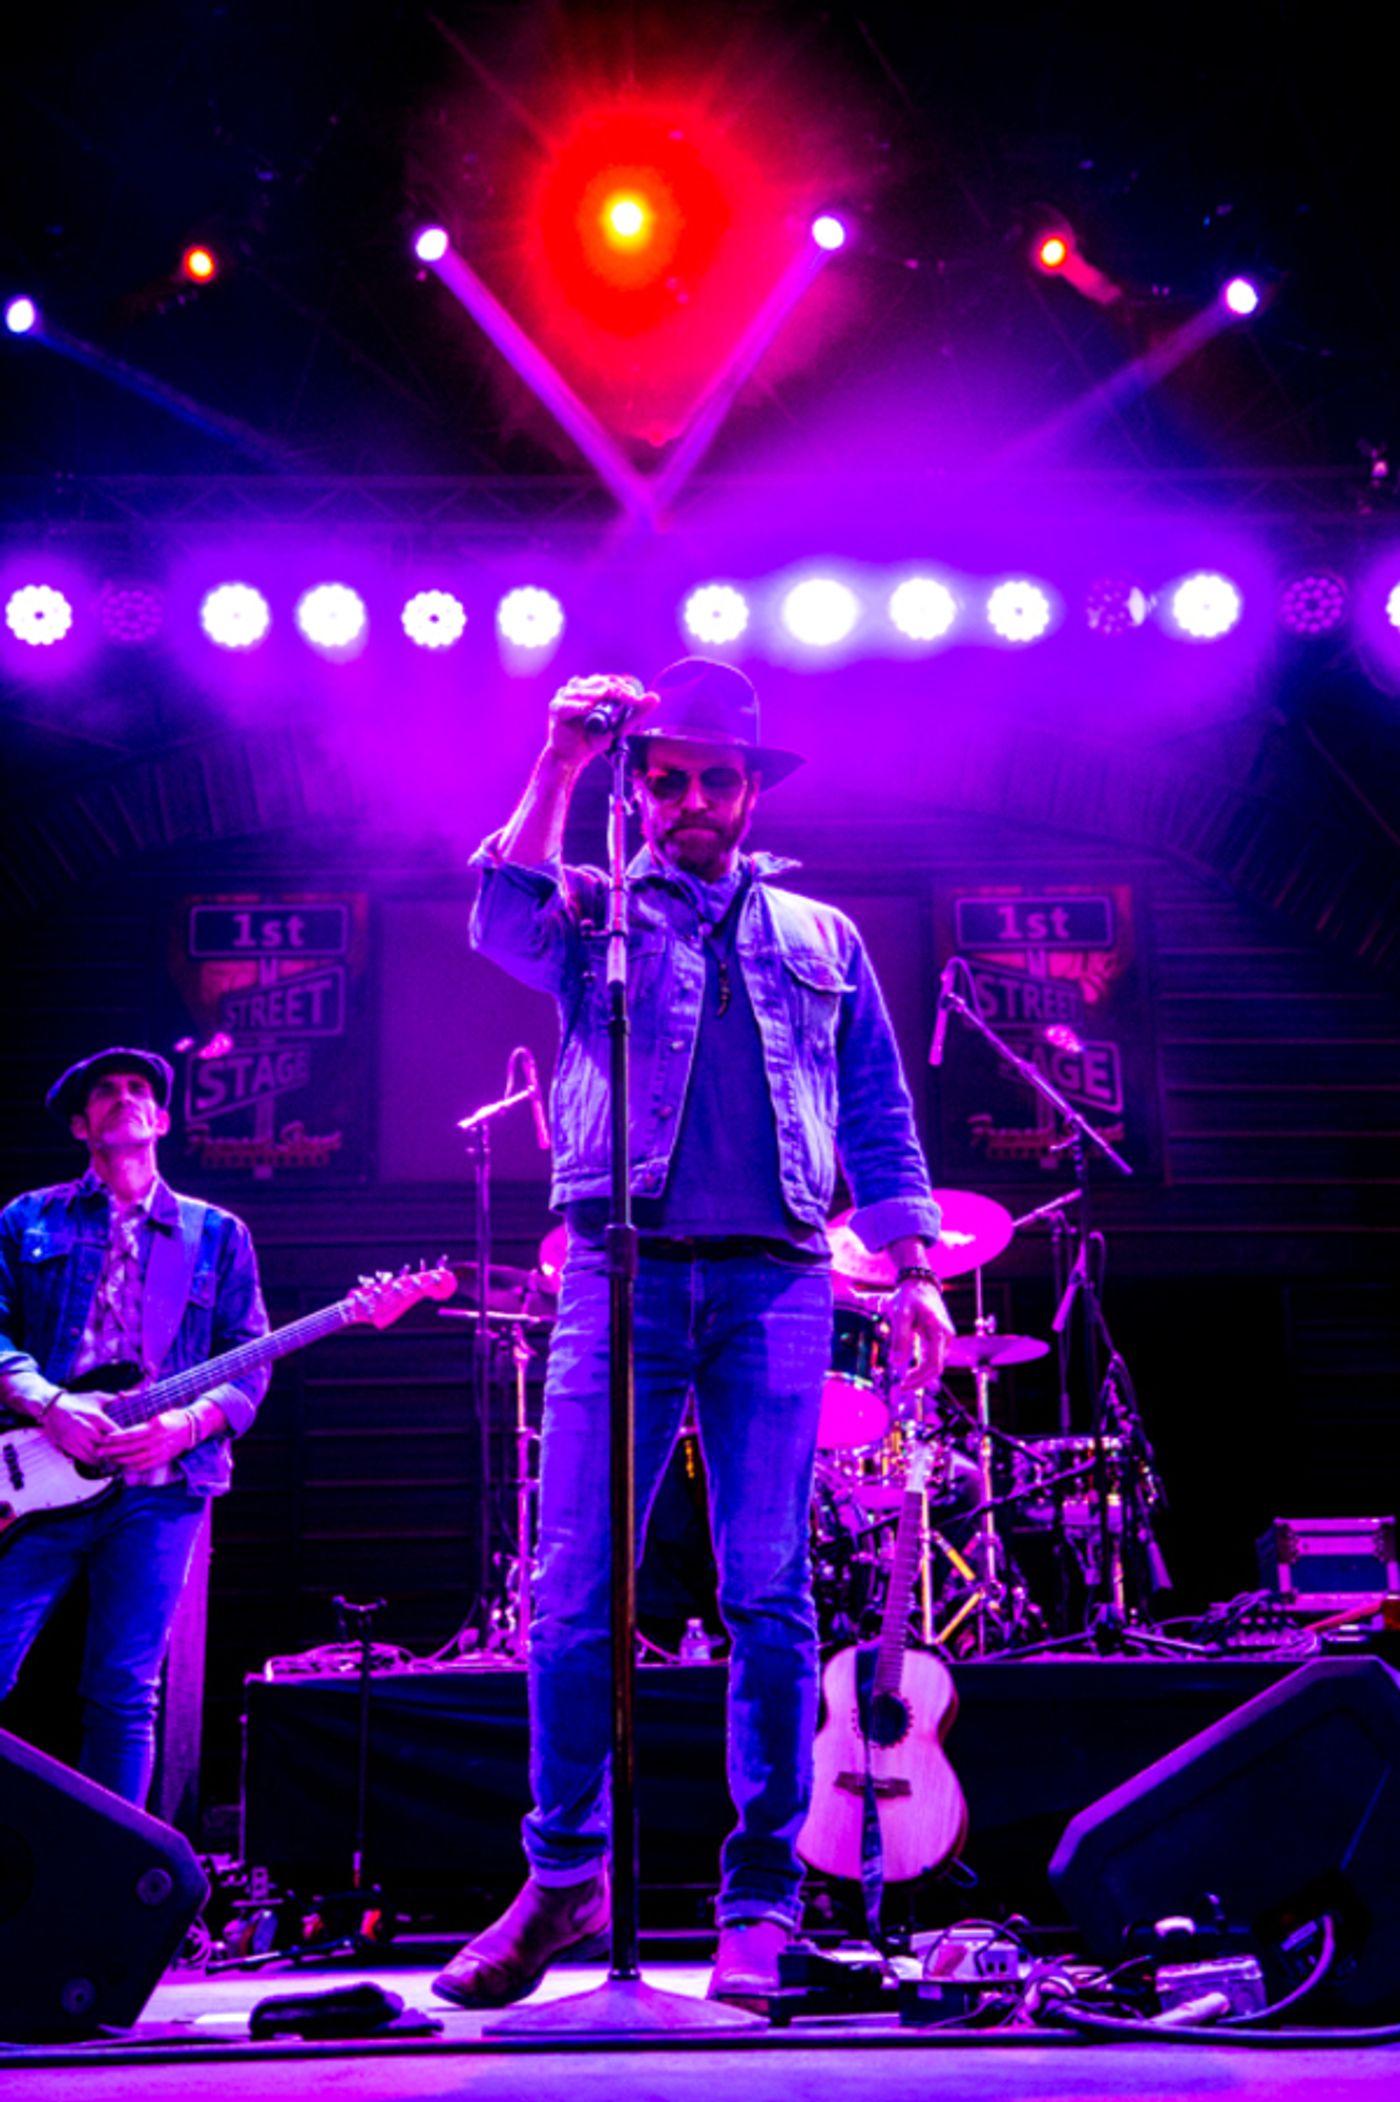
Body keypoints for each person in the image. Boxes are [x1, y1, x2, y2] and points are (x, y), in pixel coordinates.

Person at [434, 657, 952, 2010]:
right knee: (575, 1584)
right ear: (640, 783)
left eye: (715, 779)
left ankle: (762, 1900)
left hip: (778, 1278)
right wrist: (557, 760)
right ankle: (563, 1877)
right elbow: (495, 917)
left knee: (768, 1593)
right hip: (621, 1270)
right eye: (664, 778)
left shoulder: (823, 935)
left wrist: (911, 1270)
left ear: (750, 788)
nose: (690, 801)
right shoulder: (596, 913)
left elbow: (881, 1109)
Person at [0, 1048, 269, 1806]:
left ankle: (108, 1898)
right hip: (36, 1476)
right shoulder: (27, 1218)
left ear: (163, 1120)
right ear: (83, 1125)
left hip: (160, 1488)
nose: (125, 1097)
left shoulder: (217, 1235)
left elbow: (248, 1360)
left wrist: (186, 1425)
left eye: (140, 1089)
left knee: (124, 1692)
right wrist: (48, 1402)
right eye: (106, 1092)